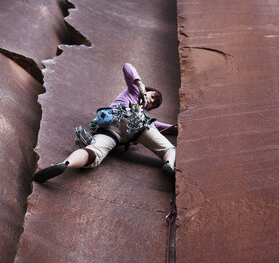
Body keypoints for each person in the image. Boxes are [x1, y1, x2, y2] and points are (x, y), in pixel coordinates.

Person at [33, 63, 177, 183]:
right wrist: (139, 85)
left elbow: (164, 127)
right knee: (169, 149)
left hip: (111, 130)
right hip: (136, 123)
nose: (150, 101)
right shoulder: (134, 91)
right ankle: (169, 164)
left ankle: (65, 164)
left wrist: (175, 128)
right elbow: (127, 67)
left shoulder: (144, 112)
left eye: (152, 104)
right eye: (152, 97)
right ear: (148, 91)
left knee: (94, 152)